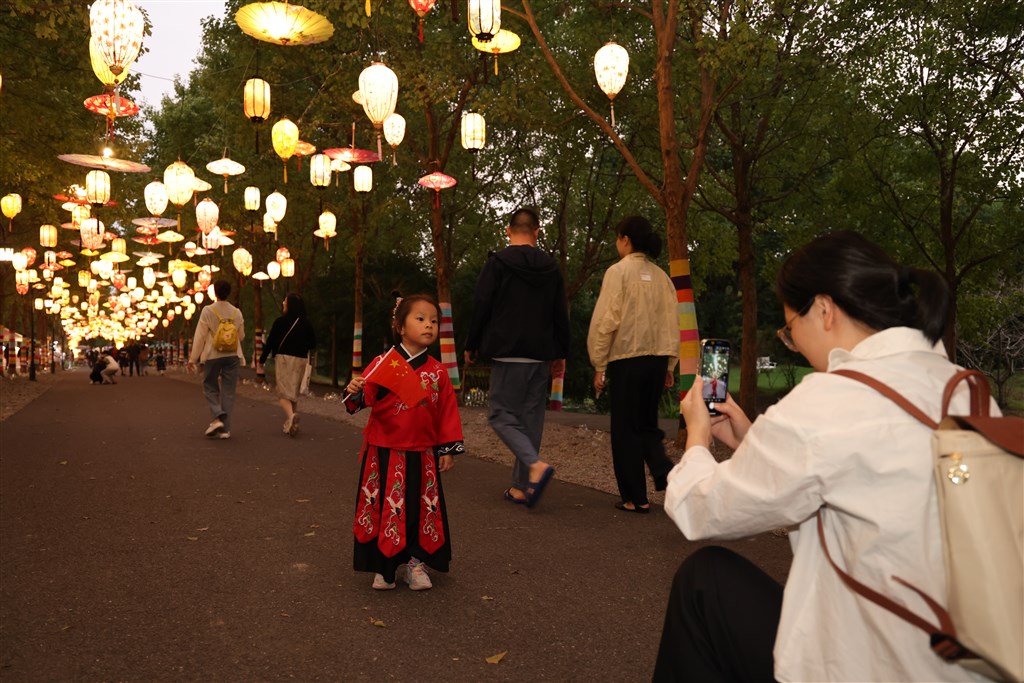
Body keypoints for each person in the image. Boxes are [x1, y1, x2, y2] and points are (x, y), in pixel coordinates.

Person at [653, 231, 1000, 682]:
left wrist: (697, 437)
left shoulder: (834, 397)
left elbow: (699, 511)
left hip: (877, 663)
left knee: (704, 582)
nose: (792, 343)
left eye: (790, 329)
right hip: (969, 656)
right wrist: (755, 441)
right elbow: (862, 473)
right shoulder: (966, 388)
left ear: (824, 309)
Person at [344, 295, 463, 591]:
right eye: (420, 319)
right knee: (386, 506)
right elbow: (359, 402)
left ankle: (415, 564)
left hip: (423, 453)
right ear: (400, 326)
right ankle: (384, 568)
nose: (429, 325)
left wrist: (447, 449)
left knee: (418, 509)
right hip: (384, 451)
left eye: (434, 321)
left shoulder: (438, 372)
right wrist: (355, 389)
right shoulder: (383, 364)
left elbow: (447, 412)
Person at [464, 207, 569, 508]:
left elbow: (482, 304)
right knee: (531, 421)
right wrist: (561, 353)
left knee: (500, 414)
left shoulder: (497, 263)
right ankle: (522, 488)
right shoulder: (551, 268)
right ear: (537, 232)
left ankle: (534, 467)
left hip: (508, 353)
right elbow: (560, 313)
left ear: (508, 231)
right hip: (540, 355)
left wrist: (473, 343)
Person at [587, 216, 678, 514]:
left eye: (617, 238)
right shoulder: (662, 277)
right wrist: (670, 366)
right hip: (657, 360)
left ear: (625, 239)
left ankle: (634, 498)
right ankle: (663, 469)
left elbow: (605, 322)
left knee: (626, 429)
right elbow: (673, 322)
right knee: (646, 423)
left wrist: (598, 364)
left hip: (626, 360)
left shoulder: (618, 272)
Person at [187, 280, 245, 440]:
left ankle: (217, 416)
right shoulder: (237, 312)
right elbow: (241, 336)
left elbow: (200, 336)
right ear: (229, 292)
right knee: (228, 391)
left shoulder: (208, 310)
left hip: (213, 355)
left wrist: (193, 358)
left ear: (215, 293)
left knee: (209, 386)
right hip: (232, 355)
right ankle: (225, 430)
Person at [259, 293, 317, 436]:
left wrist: (262, 360)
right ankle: (290, 423)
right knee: (293, 393)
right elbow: (313, 343)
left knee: (283, 393)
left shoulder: (280, 321)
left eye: (285, 303)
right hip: (301, 360)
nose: (283, 305)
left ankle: (291, 417)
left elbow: (271, 341)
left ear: (289, 305)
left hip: (284, 358)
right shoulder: (306, 323)